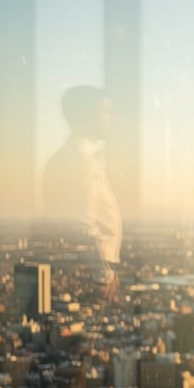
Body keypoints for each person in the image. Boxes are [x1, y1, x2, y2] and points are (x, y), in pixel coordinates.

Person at [41, 85, 123, 303]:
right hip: (92, 271)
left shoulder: (72, 157)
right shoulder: (82, 160)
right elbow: (82, 223)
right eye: (107, 111)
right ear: (86, 115)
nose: (114, 119)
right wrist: (104, 274)